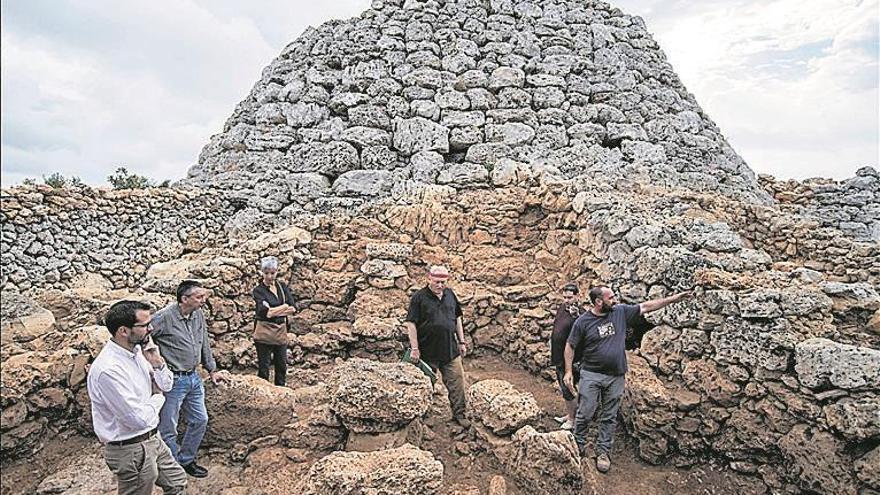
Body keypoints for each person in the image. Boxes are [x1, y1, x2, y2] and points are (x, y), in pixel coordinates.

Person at [564, 286, 690, 473]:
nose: (615, 300)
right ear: (599, 302)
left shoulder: (620, 312)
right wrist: (568, 371)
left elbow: (647, 306)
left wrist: (674, 299)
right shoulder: (583, 322)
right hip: (591, 374)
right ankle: (578, 444)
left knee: (609, 416)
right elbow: (570, 346)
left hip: (616, 375)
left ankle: (603, 452)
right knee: (585, 412)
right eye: (611, 298)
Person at [87, 300, 187, 495]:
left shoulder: (138, 352)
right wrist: (158, 397)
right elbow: (137, 420)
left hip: (153, 438)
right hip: (130, 448)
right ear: (123, 331)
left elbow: (166, 384)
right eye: (144, 325)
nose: (151, 328)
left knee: (177, 482)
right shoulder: (109, 370)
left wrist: (157, 363)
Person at [151, 280, 227, 478]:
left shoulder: (197, 314)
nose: (204, 300)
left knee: (200, 419)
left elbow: (204, 343)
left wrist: (212, 370)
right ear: (184, 299)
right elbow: (145, 338)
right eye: (199, 297)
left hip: (194, 377)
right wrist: (153, 367)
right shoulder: (164, 317)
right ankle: (172, 467)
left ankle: (186, 460)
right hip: (173, 380)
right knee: (168, 427)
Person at [404, 265, 470, 428]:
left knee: (457, 383)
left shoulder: (450, 295)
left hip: (450, 350)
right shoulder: (419, 298)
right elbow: (411, 324)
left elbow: (458, 319)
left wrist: (461, 342)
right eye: (437, 282)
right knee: (425, 386)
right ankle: (422, 417)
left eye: (443, 282)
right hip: (426, 352)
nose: (440, 285)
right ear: (429, 279)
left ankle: (459, 414)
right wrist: (414, 348)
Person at [251, 256, 296, 386]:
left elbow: (292, 308)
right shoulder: (258, 290)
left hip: (280, 332)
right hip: (264, 334)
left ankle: (281, 391)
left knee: (281, 365)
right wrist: (283, 307)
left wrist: (274, 310)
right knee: (264, 367)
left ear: (277, 272)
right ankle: (264, 393)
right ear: (261, 272)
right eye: (266, 273)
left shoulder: (282, 287)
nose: (270, 276)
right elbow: (266, 313)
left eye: (273, 273)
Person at [550, 283, 583, 431]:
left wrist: (578, 316)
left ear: (577, 296)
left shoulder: (581, 314)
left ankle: (572, 420)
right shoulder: (563, 308)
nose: (567, 300)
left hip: (571, 360)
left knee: (568, 389)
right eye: (564, 297)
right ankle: (570, 414)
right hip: (559, 358)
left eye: (570, 297)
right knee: (565, 389)